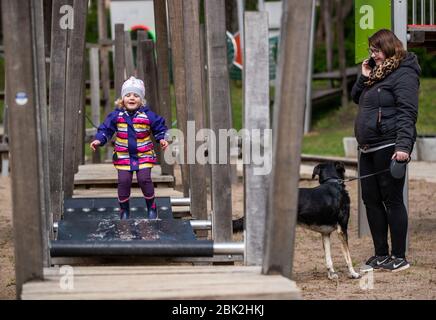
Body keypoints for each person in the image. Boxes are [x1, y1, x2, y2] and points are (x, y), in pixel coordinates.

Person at [351, 29, 420, 272]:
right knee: (370, 200)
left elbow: (407, 112)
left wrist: (403, 147)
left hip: (389, 145)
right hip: (367, 148)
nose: (373, 55)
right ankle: (381, 254)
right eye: (371, 51)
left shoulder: (404, 73)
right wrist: (363, 76)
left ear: (389, 48)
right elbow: (356, 97)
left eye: (377, 51)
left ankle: (399, 256)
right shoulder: (376, 74)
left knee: (392, 201)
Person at [90, 76, 169, 220]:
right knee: (124, 182)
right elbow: (105, 129)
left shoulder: (147, 115)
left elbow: (159, 126)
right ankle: (124, 210)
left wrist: (162, 138)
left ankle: (151, 206)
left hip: (143, 154)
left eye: (136, 95)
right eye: (128, 95)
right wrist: (98, 140)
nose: (132, 98)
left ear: (141, 100)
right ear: (122, 99)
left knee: (144, 179)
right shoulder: (116, 115)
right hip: (123, 156)